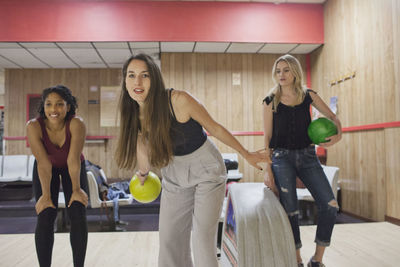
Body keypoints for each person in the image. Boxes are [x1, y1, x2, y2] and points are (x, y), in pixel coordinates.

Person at [115, 54, 267, 267]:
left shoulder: (178, 100)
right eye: (131, 76)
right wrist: (142, 174)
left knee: (202, 240)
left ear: (155, 79)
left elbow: (214, 128)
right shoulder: (134, 114)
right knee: (170, 238)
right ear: (125, 81)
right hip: (173, 173)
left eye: (144, 75)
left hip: (207, 169)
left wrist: (246, 153)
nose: (137, 82)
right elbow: (144, 152)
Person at [262, 54, 342, 267]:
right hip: (281, 158)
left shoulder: (309, 95)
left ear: (295, 72)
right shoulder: (270, 100)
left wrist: (338, 134)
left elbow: (334, 118)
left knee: (330, 205)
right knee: (290, 210)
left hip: (308, 156)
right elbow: (267, 138)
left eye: (286, 70)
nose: (282, 75)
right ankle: (296, 260)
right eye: (278, 71)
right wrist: (267, 170)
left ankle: (317, 259)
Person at [26, 85, 89, 267]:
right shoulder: (33, 126)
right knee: (46, 214)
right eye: (49, 104)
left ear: (68, 106)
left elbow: (73, 159)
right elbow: (44, 164)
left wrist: (76, 190)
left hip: (73, 166)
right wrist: (45, 196)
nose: (54, 110)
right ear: (43, 107)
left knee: (77, 212)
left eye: (60, 104)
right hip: (47, 168)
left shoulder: (77, 124)